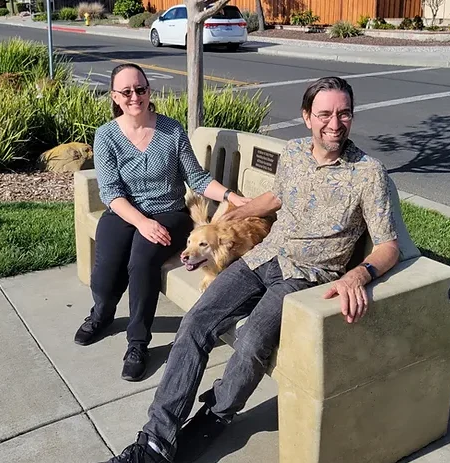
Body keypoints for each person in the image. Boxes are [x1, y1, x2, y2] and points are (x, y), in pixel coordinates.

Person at [101, 76, 400, 463]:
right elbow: (276, 197)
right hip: (262, 258)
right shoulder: (293, 153)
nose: (334, 123)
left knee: (252, 343)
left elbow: (388, 244)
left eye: (344, 113)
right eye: (324, 113)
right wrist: (229, 214)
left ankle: (215, 415)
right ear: (307, 117)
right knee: (196, 322)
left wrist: (359, 274)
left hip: (305, 276)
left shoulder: (368, 173)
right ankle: (155, 441)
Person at [74, 63, 249, 382]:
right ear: (114, 96)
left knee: (141, 262)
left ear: (148, 90)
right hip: (125, 212)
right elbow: (111, 192)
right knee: (106, 272)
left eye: (140, 89)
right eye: (126, 91)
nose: (134, 96)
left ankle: (137, 342)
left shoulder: (171, 130)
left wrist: (230, 197)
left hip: (169, 213)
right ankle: (102, 312)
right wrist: (141, 221)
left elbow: (196, 178)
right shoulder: (106, 136)